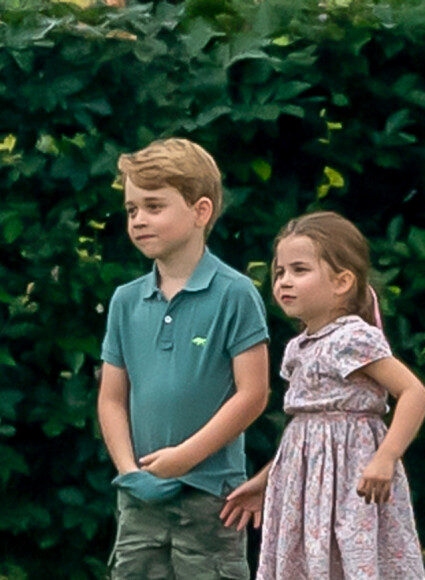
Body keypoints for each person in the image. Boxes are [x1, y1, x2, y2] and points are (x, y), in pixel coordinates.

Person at [221, 211, 425, 579]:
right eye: (280, 272)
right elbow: (307, 438)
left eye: (299, 270)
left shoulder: (353, 337)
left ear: (342, 281)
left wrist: (385, 458)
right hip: (305, 496)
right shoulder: (298, 348)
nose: (285, 281)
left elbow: (414, 392)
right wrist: (267, 480)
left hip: (353, 485)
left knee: (352, 560)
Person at [98, 138, 269, 580]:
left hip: (212, 496)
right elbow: (113, 398)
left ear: (201, 211)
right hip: (139, 498)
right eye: (132, 209)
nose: (138, 220)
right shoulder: (125, 301)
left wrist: (186, 457)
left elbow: (253, 395)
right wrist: (129, 471)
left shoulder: (236, 294)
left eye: (154, 206)